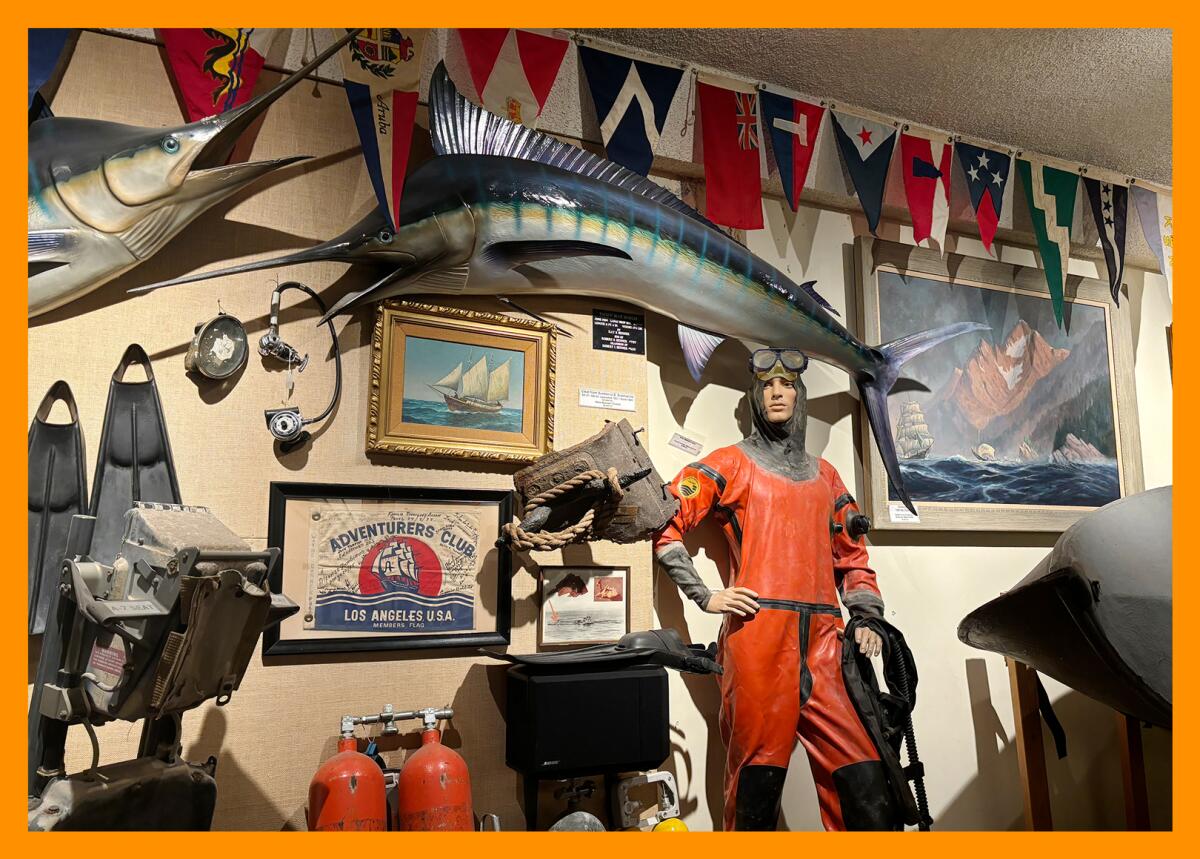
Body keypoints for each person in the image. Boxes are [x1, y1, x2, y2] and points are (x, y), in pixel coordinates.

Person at [653, 348, 895, 831]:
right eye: (768, 385)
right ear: (755, 396)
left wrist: (866, 617)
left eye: (787, 385)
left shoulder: (826, 476)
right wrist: (706, 596)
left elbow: (852, 555)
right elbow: (666, 522)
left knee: (863, 775)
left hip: (827, 641)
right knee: (757, 781)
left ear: (800, 397)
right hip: (759, 638)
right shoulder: (731, 464)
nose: (778, 392)